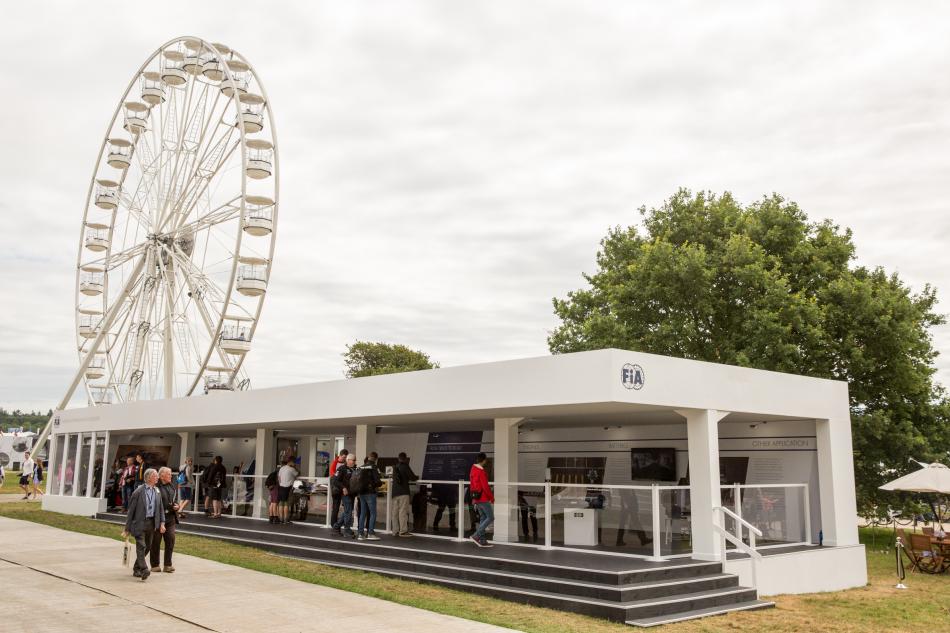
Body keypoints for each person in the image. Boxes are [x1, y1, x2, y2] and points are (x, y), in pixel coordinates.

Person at [121, 468, 166, 581]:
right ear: (149, 477)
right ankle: (144, 569)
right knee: (141, 545)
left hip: (151, 523)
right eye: (156, 476)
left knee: (147, 547)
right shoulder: (138, 491)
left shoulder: (157, 491)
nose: (158, 478)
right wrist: (127, 528)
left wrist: (162, 523)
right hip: (139, 523)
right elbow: (131, 511)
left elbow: (160, 509)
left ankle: (137, 568)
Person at [150, 467, 179, 573]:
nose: (171, 476)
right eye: (169, 474)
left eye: (171, 474)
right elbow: (156, 503)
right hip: (157, 519)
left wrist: (176, 505)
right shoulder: (155, 487)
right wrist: (171, 506)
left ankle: (168, 565)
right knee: (155, 542)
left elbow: (173, 500)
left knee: (170, 540)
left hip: (170, 518)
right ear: (161, 475)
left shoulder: (172, 486)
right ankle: (155, 565)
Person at [469, 453, 494, 548]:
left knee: (483, 517)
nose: (486, 461)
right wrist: (492, 498)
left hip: (476, 498)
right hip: (483, 498)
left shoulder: (472, 469)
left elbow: (472, 485)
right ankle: (476, 535)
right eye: (485, 460)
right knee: (490, 517)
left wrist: (474, 499)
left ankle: (482, 540)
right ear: (483, 460)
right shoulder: (481, 472)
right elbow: (485, 487)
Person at [355, 453, 382, 540]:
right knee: (373, 513)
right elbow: (378, 481)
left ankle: (360, 534)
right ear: (375, 459)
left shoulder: (361, 467)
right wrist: (378, 484)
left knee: (363, 513)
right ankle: (370, 533)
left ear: (368, 458)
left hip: (361, 493)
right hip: (370, 493)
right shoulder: (374, 467)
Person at [392, 452, 418, 537]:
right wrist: (417, 477)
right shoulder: (405, 466)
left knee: (395, 512)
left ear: (398, 458)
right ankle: (403, 531)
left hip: (395, 493)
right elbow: (412, 477)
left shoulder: (395, 467)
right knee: (403, 512)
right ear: (405, 458)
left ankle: (395, 530)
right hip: (403, 492)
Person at [331, 454, 357, 538]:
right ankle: (347, 530)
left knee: (347, 511)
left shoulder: (355, 469)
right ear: (348, 460)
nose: (354, 461)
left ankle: (336, 527)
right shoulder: (342, 468)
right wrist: (343, 488)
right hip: (345, 494)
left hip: (352, 493)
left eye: (355, 460)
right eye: (353, 460)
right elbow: (335, 480)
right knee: (348, 511)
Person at [328, 449, 348, 526]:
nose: (344, 458)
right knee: (336, 507)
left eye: (345, 457)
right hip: (336, 488)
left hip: (343, 487)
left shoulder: (345, 463)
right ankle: (333, 524)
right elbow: (333, 474)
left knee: (345, 506)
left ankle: (339, 523)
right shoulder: (335, 463)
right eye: (343, 457)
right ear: (340, 455)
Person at [277, 456, 298, 524]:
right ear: (291, 462)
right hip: (287, 488)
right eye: (294, 462)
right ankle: (286, 520)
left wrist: (280, 484)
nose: (294, 463)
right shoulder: (292, 469)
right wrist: (294, 467)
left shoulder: (282, 468)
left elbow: (279, 477)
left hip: (281, 487)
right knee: (286, 503)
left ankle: (281, 519)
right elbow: (297, 474)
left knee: (281, 503)